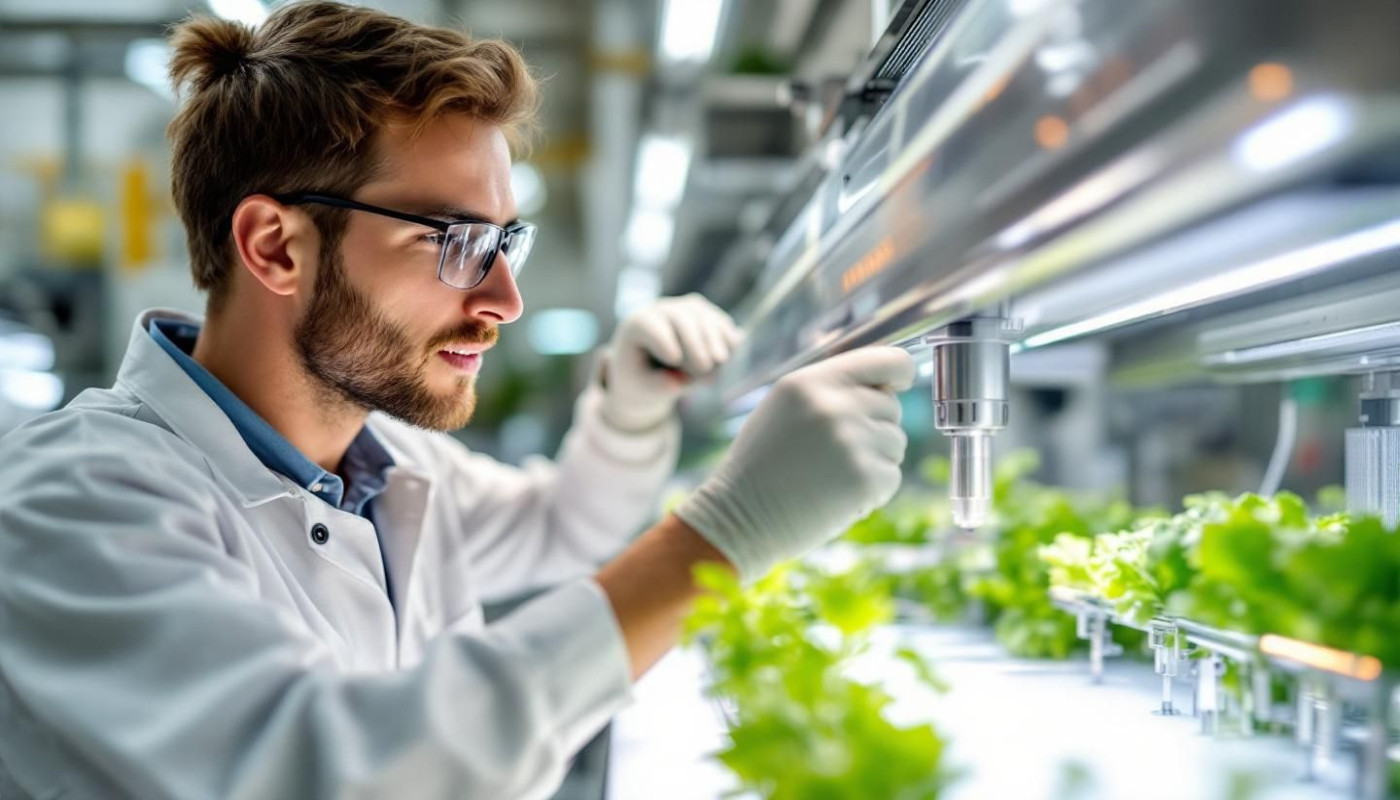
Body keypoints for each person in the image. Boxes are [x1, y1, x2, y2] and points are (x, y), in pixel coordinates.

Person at [0, 3, 915, 798]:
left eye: (505, 243)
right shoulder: (75, 499)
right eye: (454, 243)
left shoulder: (388, 467)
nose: (505, 301)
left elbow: (565, 528)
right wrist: (724, 538)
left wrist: (629, 410)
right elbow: (327, 773)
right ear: (276, 246)